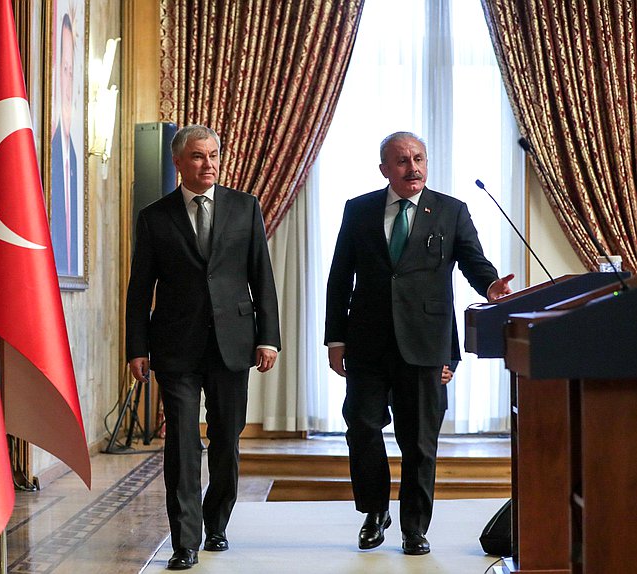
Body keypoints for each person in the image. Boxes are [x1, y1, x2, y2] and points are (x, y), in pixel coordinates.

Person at [324, 131, 513, 556]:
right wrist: (335, 339)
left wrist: (491, 287)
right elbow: (340, 277)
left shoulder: (450, 210)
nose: (413, 167)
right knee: (362, 427)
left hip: (426, 344)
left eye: (419, 158)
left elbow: (473, 262)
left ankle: (414, 527)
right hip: (367, 342)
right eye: (403, 160)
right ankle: (375, 512)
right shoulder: (359, 210)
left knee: (420, 441)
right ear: (385, 169)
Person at [125, 125, 281, 570]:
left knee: (226, 440)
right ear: (178, 162)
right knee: (181, 443)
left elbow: (261, 277)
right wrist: (136, 347)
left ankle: (217, 524)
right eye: (197, 156)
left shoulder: (245, 207)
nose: (208, 163)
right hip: (175, 346)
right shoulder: (155, 217)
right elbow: (140, 288)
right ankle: (184, 541)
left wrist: (268, 336)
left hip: (233, 344)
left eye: (213, 155)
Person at [50, 12, 78, 275]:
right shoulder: (51, 153)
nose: (68, 83)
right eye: (65, 70)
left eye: (72, 72)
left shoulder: (75, 159)